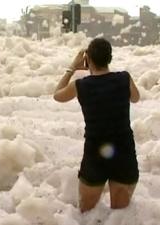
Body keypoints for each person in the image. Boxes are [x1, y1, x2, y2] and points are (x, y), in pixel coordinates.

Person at [53, 38, 140, 213]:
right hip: (124, 151)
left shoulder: (81, 85)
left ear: (88, 60)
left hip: (95, 154)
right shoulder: (124, 78)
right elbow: (135, 98)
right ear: (110, 58)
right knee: (120, 217)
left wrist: (72, 68)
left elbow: (57, 95)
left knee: (87, 215)